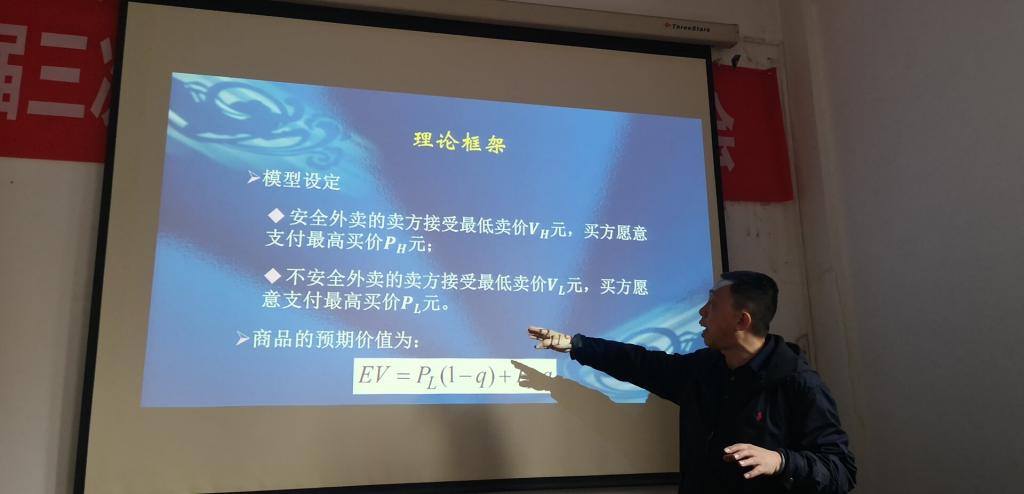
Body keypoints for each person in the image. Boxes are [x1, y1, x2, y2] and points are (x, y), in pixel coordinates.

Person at [528, 271, 856, 493]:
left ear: (742, 321)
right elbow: (641, 364)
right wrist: (575, 345)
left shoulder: (797, 383)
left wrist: (781, 461)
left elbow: (841, 470)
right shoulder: (704, 369)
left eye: (713, 305)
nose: (702, 313)